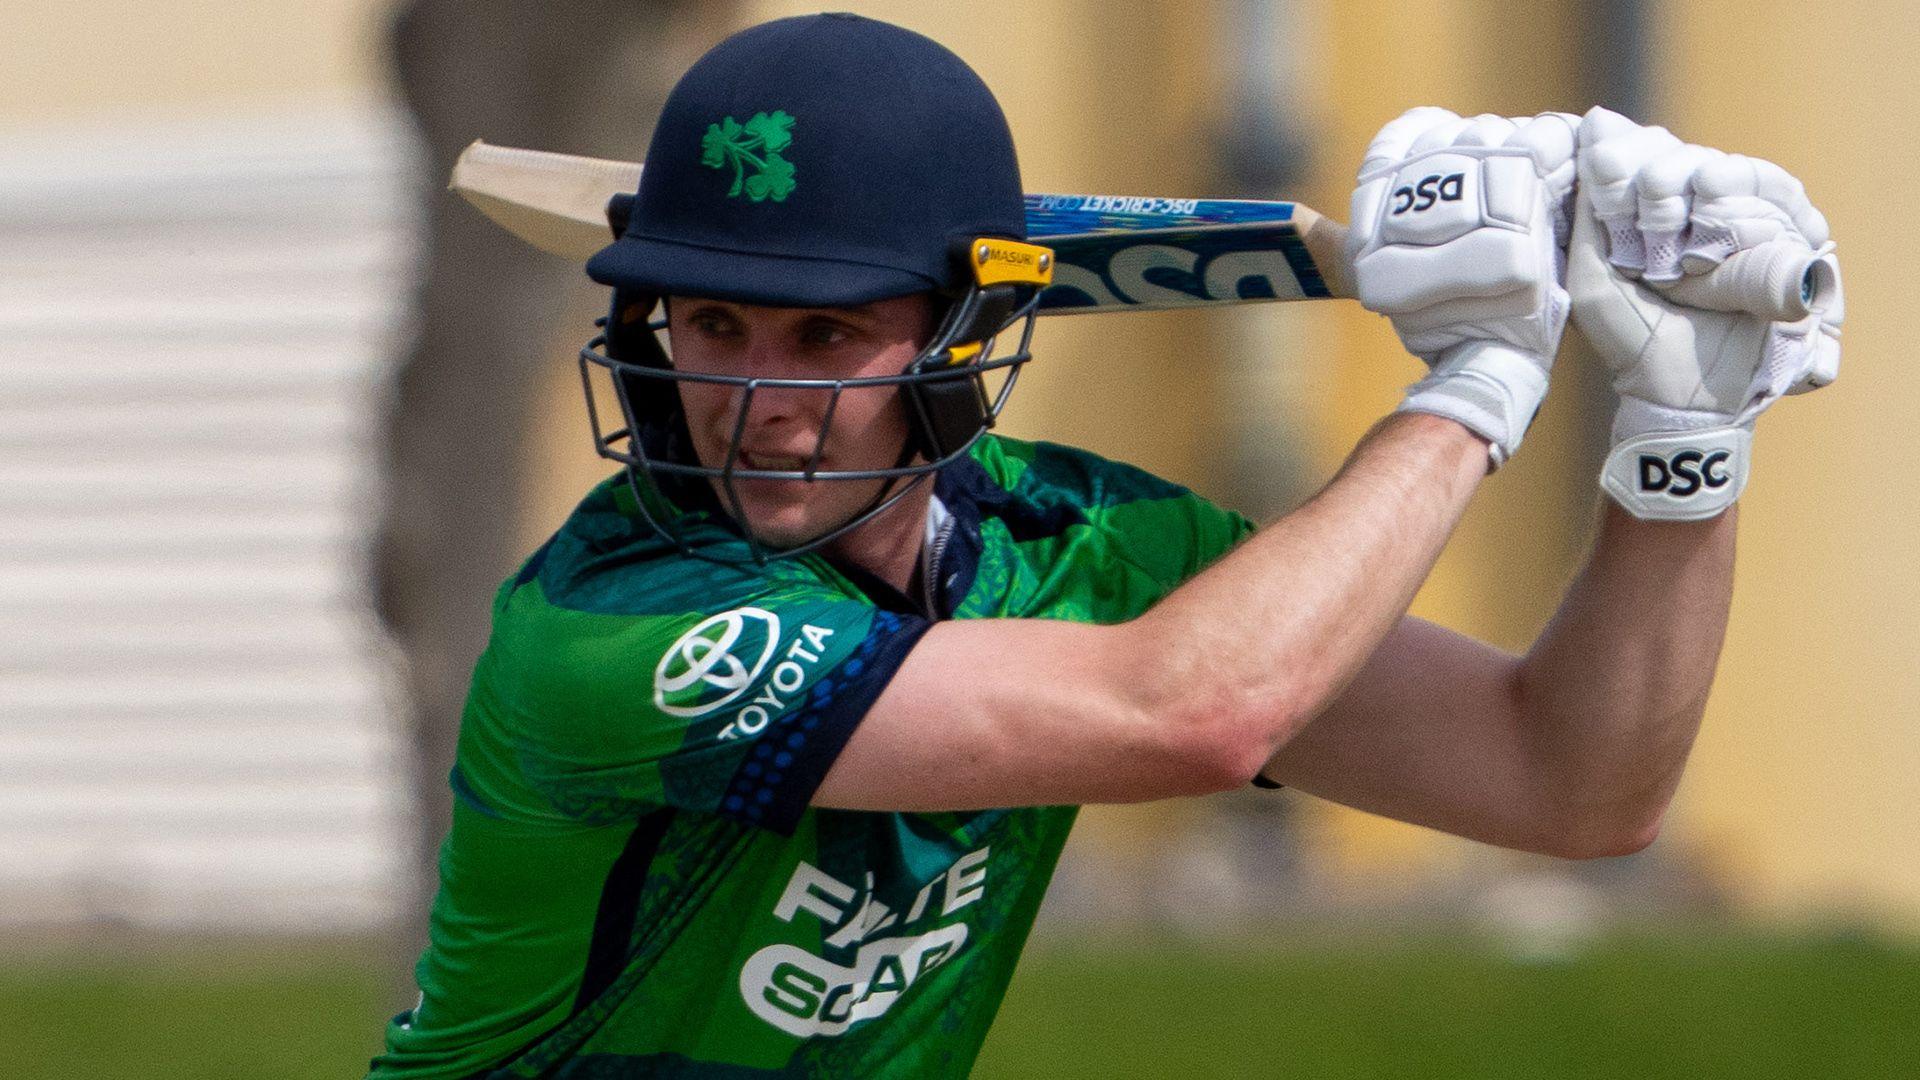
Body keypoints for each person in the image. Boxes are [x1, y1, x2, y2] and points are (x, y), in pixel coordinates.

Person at [368, 13, 1842, 1079]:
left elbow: (1566, 783)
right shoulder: (615, 628)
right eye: (712, 325)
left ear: (965, 338)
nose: (758, 401)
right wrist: (1482, 379)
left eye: (827, 335)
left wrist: (1680, 438)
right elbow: (1195, 712)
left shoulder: (1080, 540)